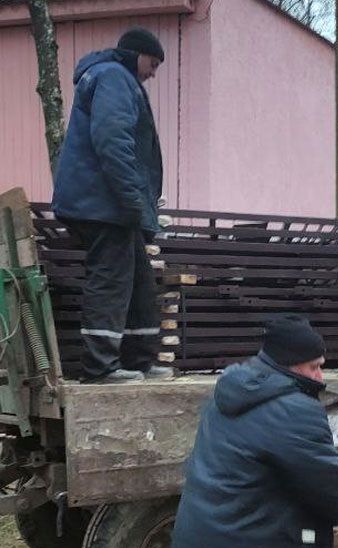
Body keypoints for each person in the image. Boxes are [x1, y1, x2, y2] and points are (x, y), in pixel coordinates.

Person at [172, 314, 338, 548]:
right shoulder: (293, 410)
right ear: (289, 362)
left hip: (201, 536)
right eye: (315, 366)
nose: (321, 377)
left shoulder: (229, 391)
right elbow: (330, 484)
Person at [52, 27, 172, 383]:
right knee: (111, 280)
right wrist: (135, 203)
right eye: (153, 63)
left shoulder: (114, 77)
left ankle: (138, 362)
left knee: (138, 281)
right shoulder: (114, 78)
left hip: (107, 204)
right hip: (100, 205)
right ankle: (100, 368)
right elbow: (113, 144)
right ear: (137, 54)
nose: (153, 72)